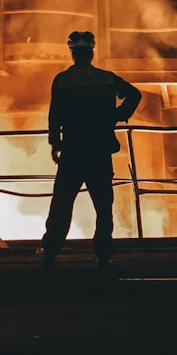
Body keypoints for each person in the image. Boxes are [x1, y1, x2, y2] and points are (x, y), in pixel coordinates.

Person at [39, 30, 142, 271]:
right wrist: (116, 116)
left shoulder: (62, 80)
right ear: (92, 53)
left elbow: (55, 116)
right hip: (99, 151)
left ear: (72, 53)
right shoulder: (106, 79)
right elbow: (135, 95)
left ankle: (50, 252)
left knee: (62, 204)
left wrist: (55, 143)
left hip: (73, 152)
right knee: (103, 205)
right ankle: (103, 254)